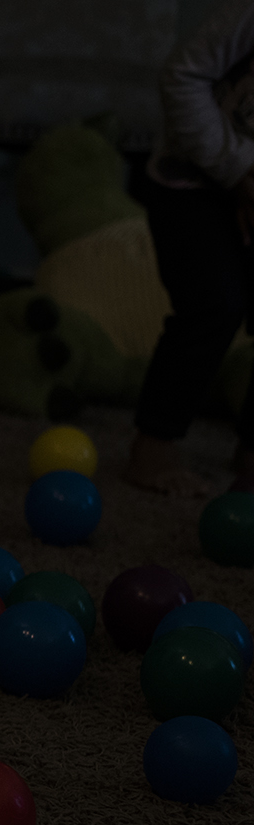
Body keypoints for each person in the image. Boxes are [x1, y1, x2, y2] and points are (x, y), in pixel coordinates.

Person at [128, 0, 254, 494]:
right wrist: (238, 170)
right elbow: (181, 76)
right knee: (211, 304)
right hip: (191, 184)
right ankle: (153, 444)